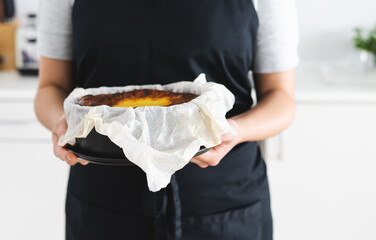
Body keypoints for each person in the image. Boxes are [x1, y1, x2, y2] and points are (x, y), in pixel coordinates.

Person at [34, 0, 298, 239]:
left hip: (223, 202)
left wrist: (237, 130)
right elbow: (50, 86)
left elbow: (281, 97)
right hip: (103, 203)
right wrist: (62, 121)